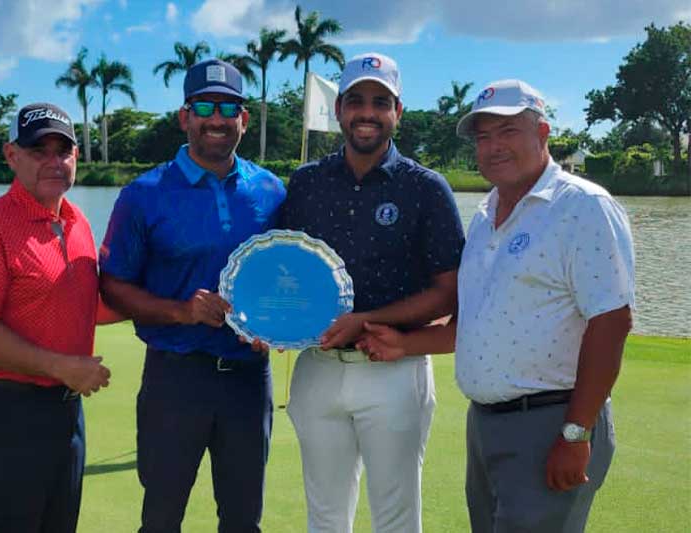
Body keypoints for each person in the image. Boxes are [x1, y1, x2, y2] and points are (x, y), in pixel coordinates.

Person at [359, 79, 635, 532]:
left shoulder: (583, 206)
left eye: (508, 131)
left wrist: (576, 431)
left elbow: (611, 321)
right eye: (483, 137)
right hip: (487, 427)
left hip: (551, 421)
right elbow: (474, 323)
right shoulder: (487, 214)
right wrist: (403, 344)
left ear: (543, 132)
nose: (493, 147)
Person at [98, 59, 286, 533]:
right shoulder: (143, 194)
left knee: (243, 520)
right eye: (204, 106)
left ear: (245, 119)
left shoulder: (271, 190)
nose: (216, 118)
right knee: (161, 518)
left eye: (229, 107)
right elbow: (113, 285)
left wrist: (278, 326)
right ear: (185, 116)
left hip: (248, 379)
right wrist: (180, 311)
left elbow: (289, 274)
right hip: (175, 378)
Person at [280, 53, 465, 532]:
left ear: (397, 112)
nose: (368, 112)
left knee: (397, 518)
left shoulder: (426, 188)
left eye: (380, 102)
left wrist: (365, 319)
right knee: (324, 516)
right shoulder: (306, 183)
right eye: (357, 100)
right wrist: (269, 322)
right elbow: (284, 272)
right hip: (316, 371)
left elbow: (448, 293)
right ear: (339, 108)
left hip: (394, 371)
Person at [0, 102, 115, 532]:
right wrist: (63, 366)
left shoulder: (77, 223)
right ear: (12, 155)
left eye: (64, 150)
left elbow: (83, 306)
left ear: (76, 157)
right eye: (39, 150)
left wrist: (177, 306)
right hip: (7, 411)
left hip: (65, 410)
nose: (54, 161)